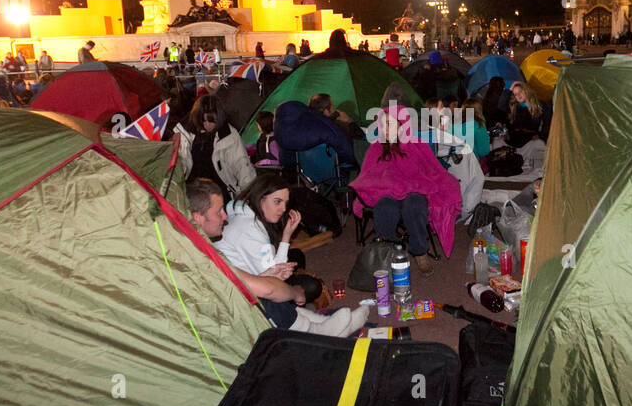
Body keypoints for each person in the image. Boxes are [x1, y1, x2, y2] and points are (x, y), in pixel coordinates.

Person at [189, 179, 368, 336]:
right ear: (261, 199)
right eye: (277, 202)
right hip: (235, 306)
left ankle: (320, 324)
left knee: (295, 259)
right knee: (282, 292)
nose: (283, 209)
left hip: (245, 282)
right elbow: (267, 287)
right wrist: (292, 290)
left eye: (285, 203)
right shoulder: (247, 229)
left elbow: (260, 275)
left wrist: (285, 237)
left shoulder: (247, 221)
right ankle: (316, 331)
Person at [350, 104, 461, 275]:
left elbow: (431, 171)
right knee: (385, 208)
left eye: (390, 124)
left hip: (415, 190)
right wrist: (391, 185)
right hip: (385, 192)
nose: (385, 128)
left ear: (402, 125)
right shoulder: (376, 147)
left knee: (414, 206)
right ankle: (388, 253)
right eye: (383, 124)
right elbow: (369, 175)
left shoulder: (418, 145)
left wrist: (412, 184)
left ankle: (420, 252)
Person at [184, 95, 255, 201]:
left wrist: (248, 197)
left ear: (219, 117)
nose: (207, 124)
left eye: (211, 120)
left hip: (220, 196)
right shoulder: (189, 134)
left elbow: (242, 167)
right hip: (195, 195)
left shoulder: (229, 136)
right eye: (203, 120)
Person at [506, 80, 551, 148]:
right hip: (517, 140)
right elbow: (501, 104)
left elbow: (548, 122)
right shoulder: (515, 106)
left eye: (520, 91)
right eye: (515, 94)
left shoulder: (539, 104)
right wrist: (510, 88)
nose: (518, 95)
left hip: (533, 139)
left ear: (526, 91)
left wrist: (540, 136)